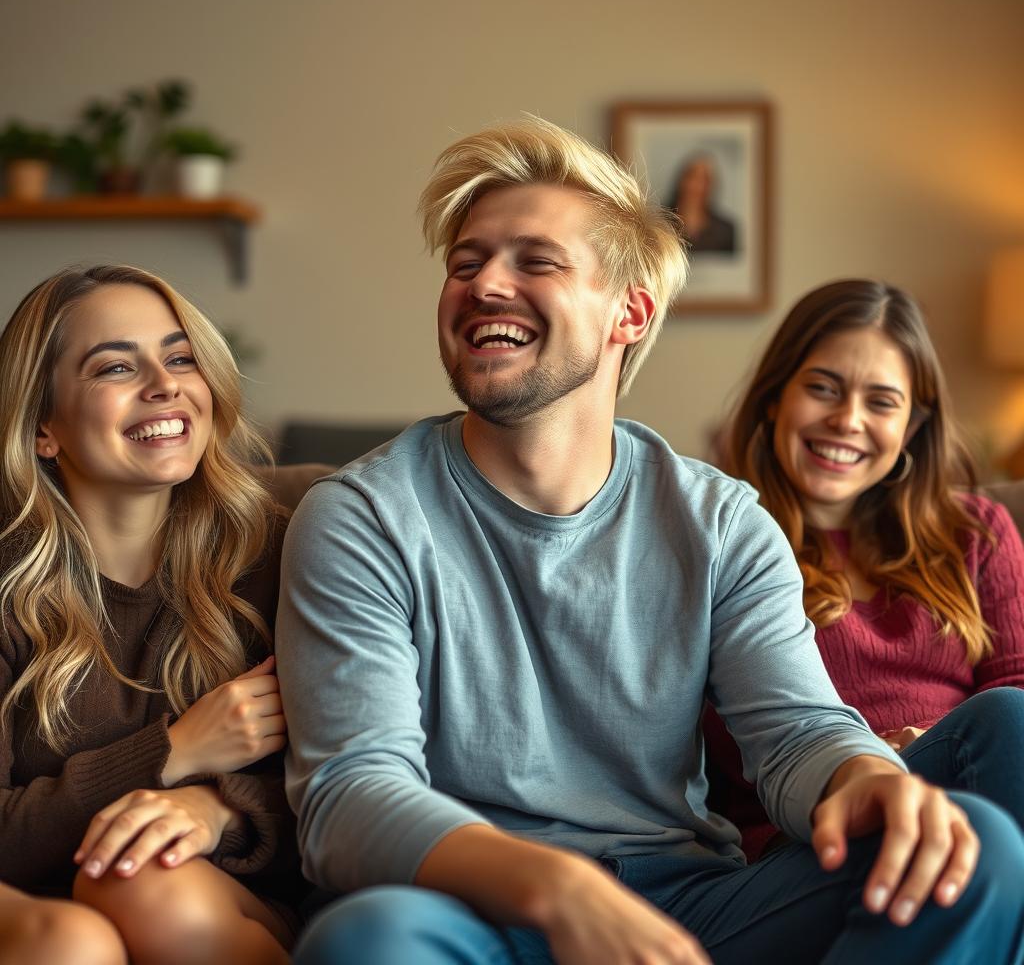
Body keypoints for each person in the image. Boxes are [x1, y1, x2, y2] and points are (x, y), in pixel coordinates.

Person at [277, 119, 1024, 965]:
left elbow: (796, 734)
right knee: (367, 941)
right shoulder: (360, 516)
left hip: (689, 913)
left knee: (980, 842)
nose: (484, 283)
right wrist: (558, 888)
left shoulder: (721, 521)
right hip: (467, 908)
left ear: (628, 312)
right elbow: (348, 798)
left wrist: (870, 778)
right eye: (465, 262)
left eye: (535, 260)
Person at [0, 265, 296, 965]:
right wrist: (174, 752)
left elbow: (356, 785)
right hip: (34, 919)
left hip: (213, 905)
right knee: (76, 941)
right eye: (113, 367)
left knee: (142, 889)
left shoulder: (290, 539)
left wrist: (218, 808)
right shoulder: (10, 584)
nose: (164, 385)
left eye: (180, 356)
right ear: (45, 427)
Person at [705, 278, 1024, 863]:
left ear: (913, 425)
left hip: (979, 788)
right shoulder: (722, 541)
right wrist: (854, 760)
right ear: (776, 397)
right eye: (823, 389)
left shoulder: (976, 533)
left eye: (881, 401)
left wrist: (934, 741)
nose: (848, 420)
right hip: (814, 831)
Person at [666, 154, 736, 254]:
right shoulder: (661, 223)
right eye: (693, 176)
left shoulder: (726, 231)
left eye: (705, 180)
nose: (698, 186)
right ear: (682, 180)